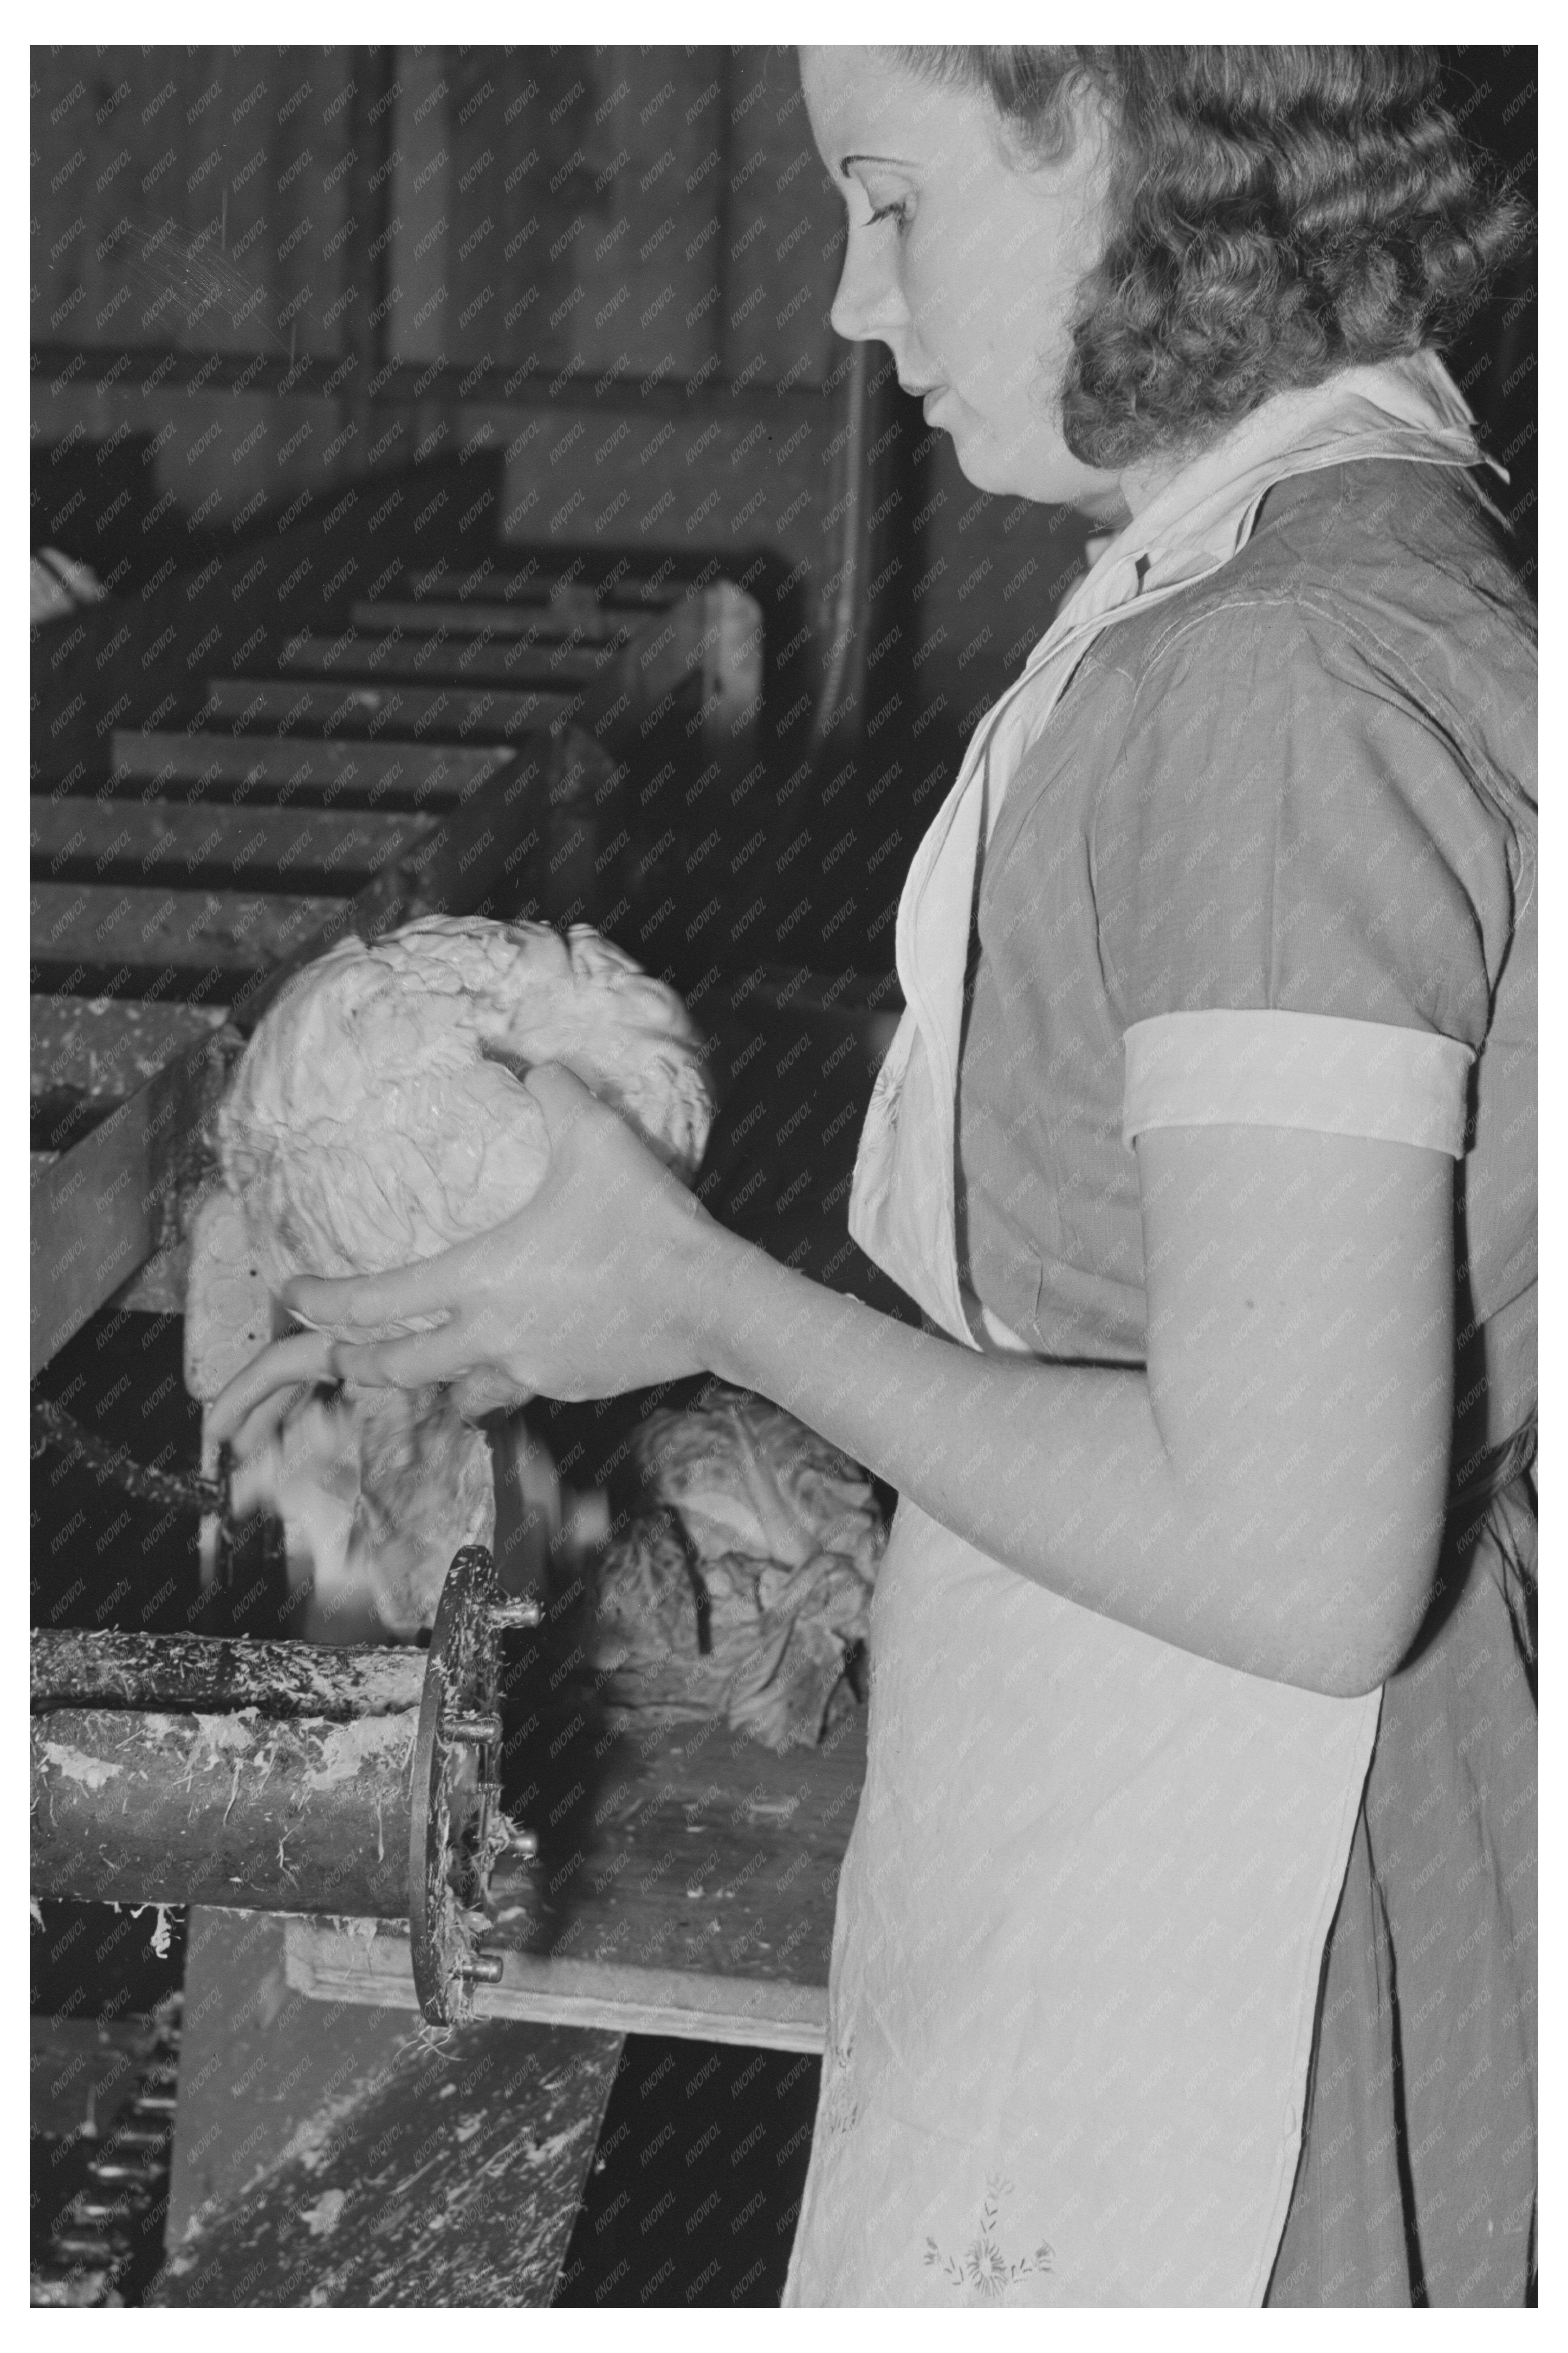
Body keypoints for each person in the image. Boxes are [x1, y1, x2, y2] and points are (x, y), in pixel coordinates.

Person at [211, 46, 1537, 2308]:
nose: (845, 299)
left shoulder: (1271, 683)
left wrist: (702, 1299)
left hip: (1240, 1941)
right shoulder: (1329, 564)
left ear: (1139, 150)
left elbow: (1295, 1552)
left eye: (892, 200)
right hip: (1214, 1814)